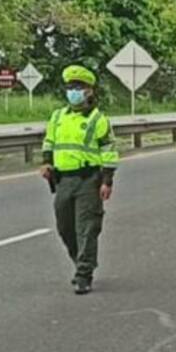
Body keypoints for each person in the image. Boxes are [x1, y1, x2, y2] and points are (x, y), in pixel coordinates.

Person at [40, 65, 119, 295]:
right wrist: (47, 162)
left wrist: (107, 180)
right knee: (66, 228)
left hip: (88, 180)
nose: (73, 91)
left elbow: (108, 150)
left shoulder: (98, 119)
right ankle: (82, 262)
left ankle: (84, 274)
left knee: (87, 227)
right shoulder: (58, 117)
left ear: (89, 91)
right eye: (70, 87)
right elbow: (49, 142)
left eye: (79, 87)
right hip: (63, 180)